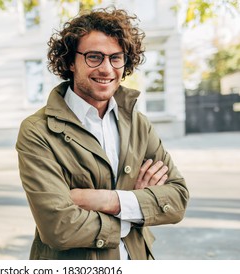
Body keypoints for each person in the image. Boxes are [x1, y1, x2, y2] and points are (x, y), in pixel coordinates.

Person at [15, 7, 189, 260]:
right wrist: (137, 207)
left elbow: (177, 199)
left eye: (116, 58)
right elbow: (59, 227)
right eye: (94, 57)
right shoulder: (38, 130)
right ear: (70, 61)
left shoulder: (138, 124)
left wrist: (107, 201)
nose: (107, 69)